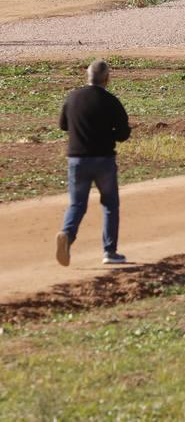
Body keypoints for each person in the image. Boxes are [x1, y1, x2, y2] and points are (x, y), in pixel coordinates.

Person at [56, 60, 131, 267]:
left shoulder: (73, 98)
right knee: (110, 205)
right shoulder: (111, 101)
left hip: (77, 160)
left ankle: (67, 234)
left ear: (87, 77)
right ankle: (109, 251)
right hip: (103, 160)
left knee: (77, 204)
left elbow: (63, 125)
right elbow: (123, 134)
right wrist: (108, 133)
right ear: (107, 78)